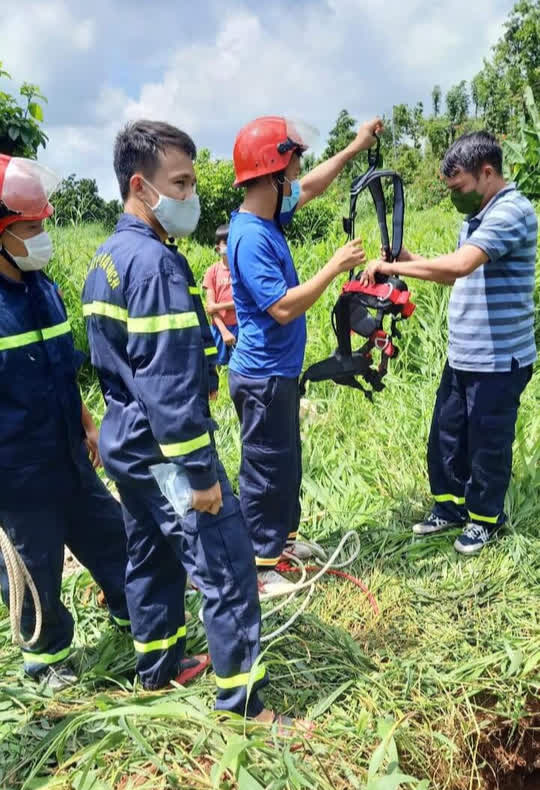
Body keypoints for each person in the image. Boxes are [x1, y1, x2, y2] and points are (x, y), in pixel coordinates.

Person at [82, 120, 275, 721]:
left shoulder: (106, 259)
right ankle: (243, 708)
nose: (191, 196)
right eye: (182, 183)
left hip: (127, 445)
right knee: (226, 565)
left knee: (150, 555)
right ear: (141, 186)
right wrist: (200, 475)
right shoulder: (156, 267)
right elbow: (166, 387)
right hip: (168, 451)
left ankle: (157, 667)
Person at [360, 131, 537, 554]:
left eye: (459, 187)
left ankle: (484, 520)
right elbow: (448, 272)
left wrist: (385, 264)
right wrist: (406, 258)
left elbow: (459, 266)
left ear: (487, 172)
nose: (455, 196)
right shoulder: (475, 217)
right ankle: (450, 508)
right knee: (447, 436)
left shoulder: (512, 211)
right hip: (464, 354)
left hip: (498, 359)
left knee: (487, 443)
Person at [228, 116, 382, 595]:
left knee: (286, 462)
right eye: (291, 172)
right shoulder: (251, 237)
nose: (297, 181)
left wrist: (355, 147)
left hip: (280, 373)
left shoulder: (269, 215)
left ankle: (282, 543)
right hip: (261, 375)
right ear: (272, 176)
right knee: (264, 468)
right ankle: (257, 566)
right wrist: (334, 267)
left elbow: (313, 186)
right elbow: (282, 307)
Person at [0, 155, 130, 691]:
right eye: (30, 228)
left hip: (69, 455)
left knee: (111, 535)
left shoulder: (43, 289)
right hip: (19, 473)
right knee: (36, 569)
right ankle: (46, 660)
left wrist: (88, 423)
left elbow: (61, 369)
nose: (42, 236)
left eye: (44, 224)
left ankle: (133, 614)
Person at [202, 224, 238, 366]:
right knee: (218, 367)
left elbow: (244, 302)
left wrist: (218, 306)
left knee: (238, 367)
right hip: (218, 328)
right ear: (218, 248)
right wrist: (224, 332)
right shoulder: (212, 272)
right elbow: (210, 308)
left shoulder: (242, 270)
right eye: (226, 242)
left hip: (240, 327)